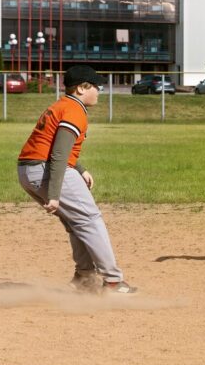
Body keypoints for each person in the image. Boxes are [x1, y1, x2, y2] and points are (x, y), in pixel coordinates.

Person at [17, 65, 136, 294]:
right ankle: (113, 282)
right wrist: (53, 194)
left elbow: (56, 146)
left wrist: (79, 169)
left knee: (77, 223)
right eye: (96, 87)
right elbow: (59, 155)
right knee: (91, 220)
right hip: (45, 170)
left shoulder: (62, 105)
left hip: (28, 170)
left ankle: (84, 277)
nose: (99, 92)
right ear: (82, 88)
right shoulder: (74, 110)